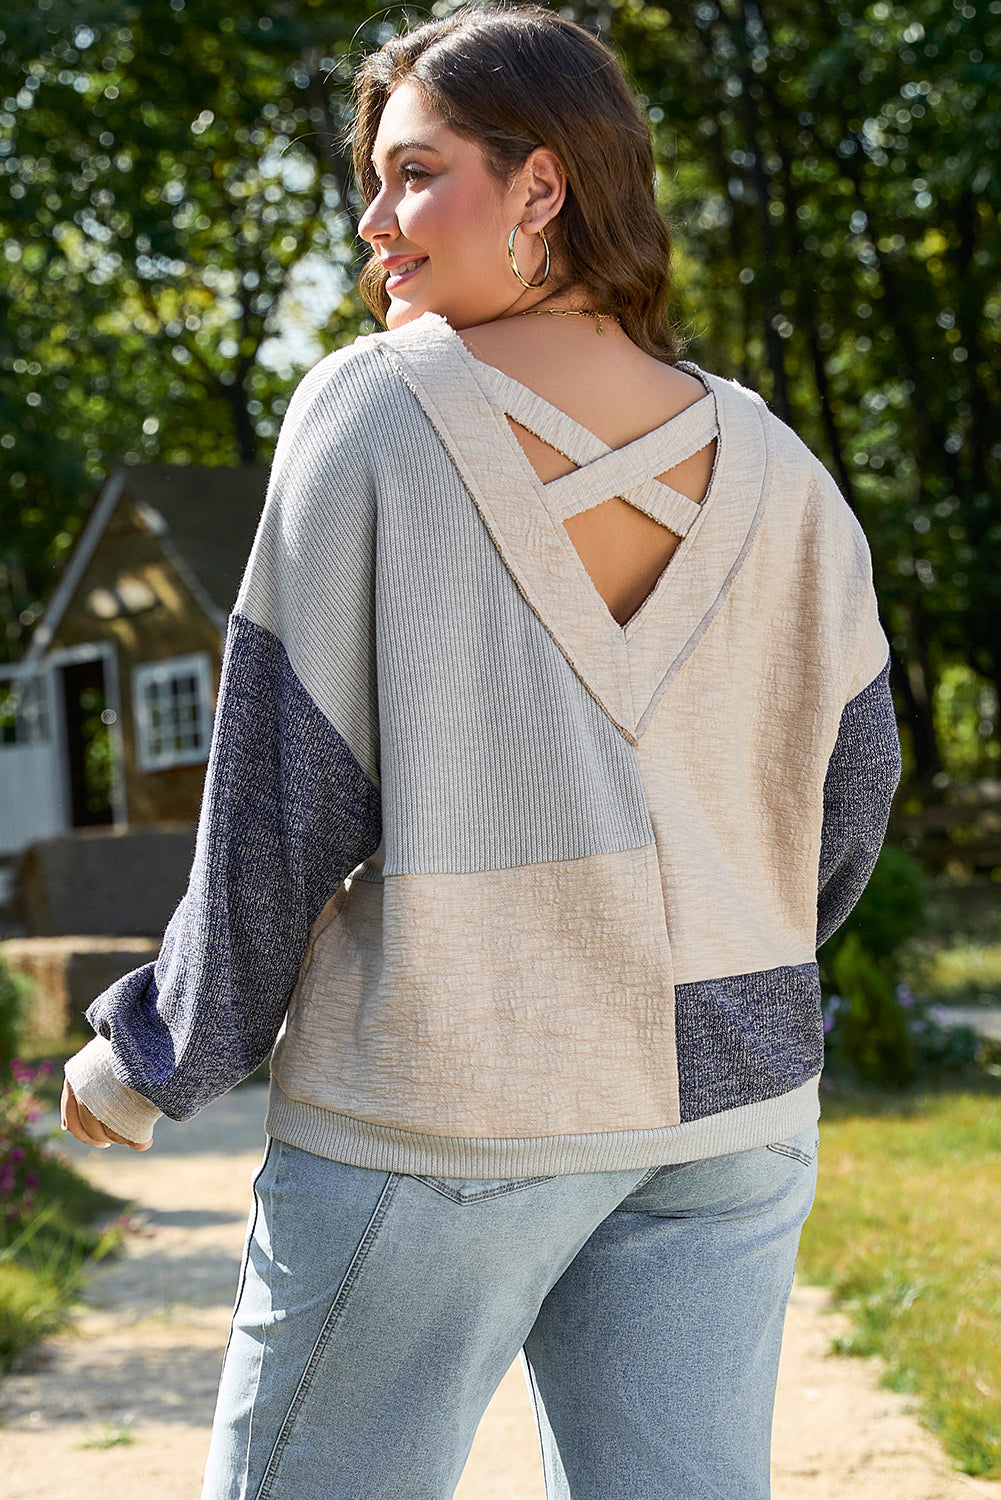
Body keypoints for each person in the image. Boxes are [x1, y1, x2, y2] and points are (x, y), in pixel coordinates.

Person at [61, 5, 902, 1497]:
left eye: (415, 174)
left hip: (450, 1100)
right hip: (731, 1126)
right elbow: (848, 805)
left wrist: (156, 1053)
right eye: (373, 181)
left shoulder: (372, 410)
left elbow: (281, 801)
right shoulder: (787, 472)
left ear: (540, 184)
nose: (372, 223)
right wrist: (723, 964)